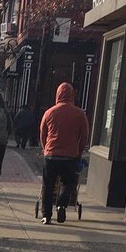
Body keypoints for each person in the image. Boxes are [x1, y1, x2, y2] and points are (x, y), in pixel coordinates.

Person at [39, 82, 89, 224]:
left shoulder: (49, 112)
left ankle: (46, 215)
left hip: (51, 154)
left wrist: (45, 149)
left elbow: (43, 133)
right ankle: (61, 204)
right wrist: (78, 151)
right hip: (70, 156)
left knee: (48, 185)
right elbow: (84, 136)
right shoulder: (79, 114)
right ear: (72, 95)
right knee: (68, 183)